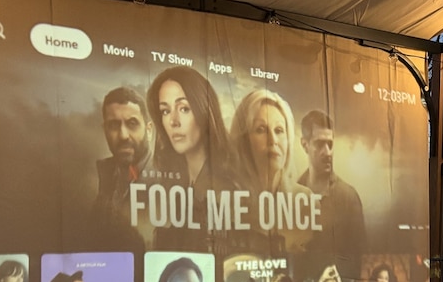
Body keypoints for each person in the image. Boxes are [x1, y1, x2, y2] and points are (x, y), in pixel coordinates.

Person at [148, 67, 237, 251]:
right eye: (165, 111)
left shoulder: (228, 188)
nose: (173, 121)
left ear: (204, 111)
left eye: (184, 109)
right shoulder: (172, 182)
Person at [229, 89, 314, 251]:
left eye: (279, 131)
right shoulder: (226, 201)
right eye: (261, 130)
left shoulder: (306, 201)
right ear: (243, 141)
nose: (273, 140)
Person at [297, 110, 366, 270]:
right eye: (320, 144)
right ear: (305, 145)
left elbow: (358, 256)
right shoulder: (290, 195)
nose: (327, 152)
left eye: (330, 144)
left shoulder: (349, 198)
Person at [93, 86, 155, 248]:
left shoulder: (169, 183)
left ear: (149, 131)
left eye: (132, 124)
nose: (123, 135)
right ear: (105, 130)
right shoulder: (106, 177)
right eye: (114, 125)